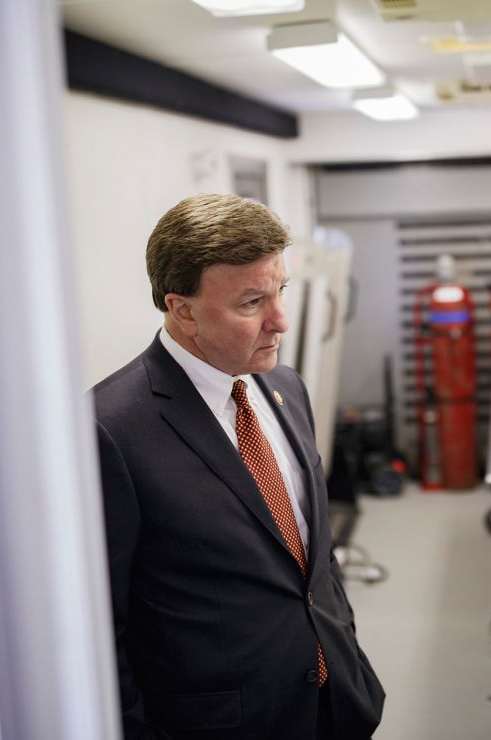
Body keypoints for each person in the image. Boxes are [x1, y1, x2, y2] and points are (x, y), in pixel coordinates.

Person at [93, 194, 385, 739]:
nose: (281, 321)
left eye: (281, 291)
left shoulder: (285, 388)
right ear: (182, 309)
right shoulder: (109, 430)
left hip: (334, 701)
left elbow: (308, 553)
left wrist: (343, 645)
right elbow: (99, 630)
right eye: (252, 303)